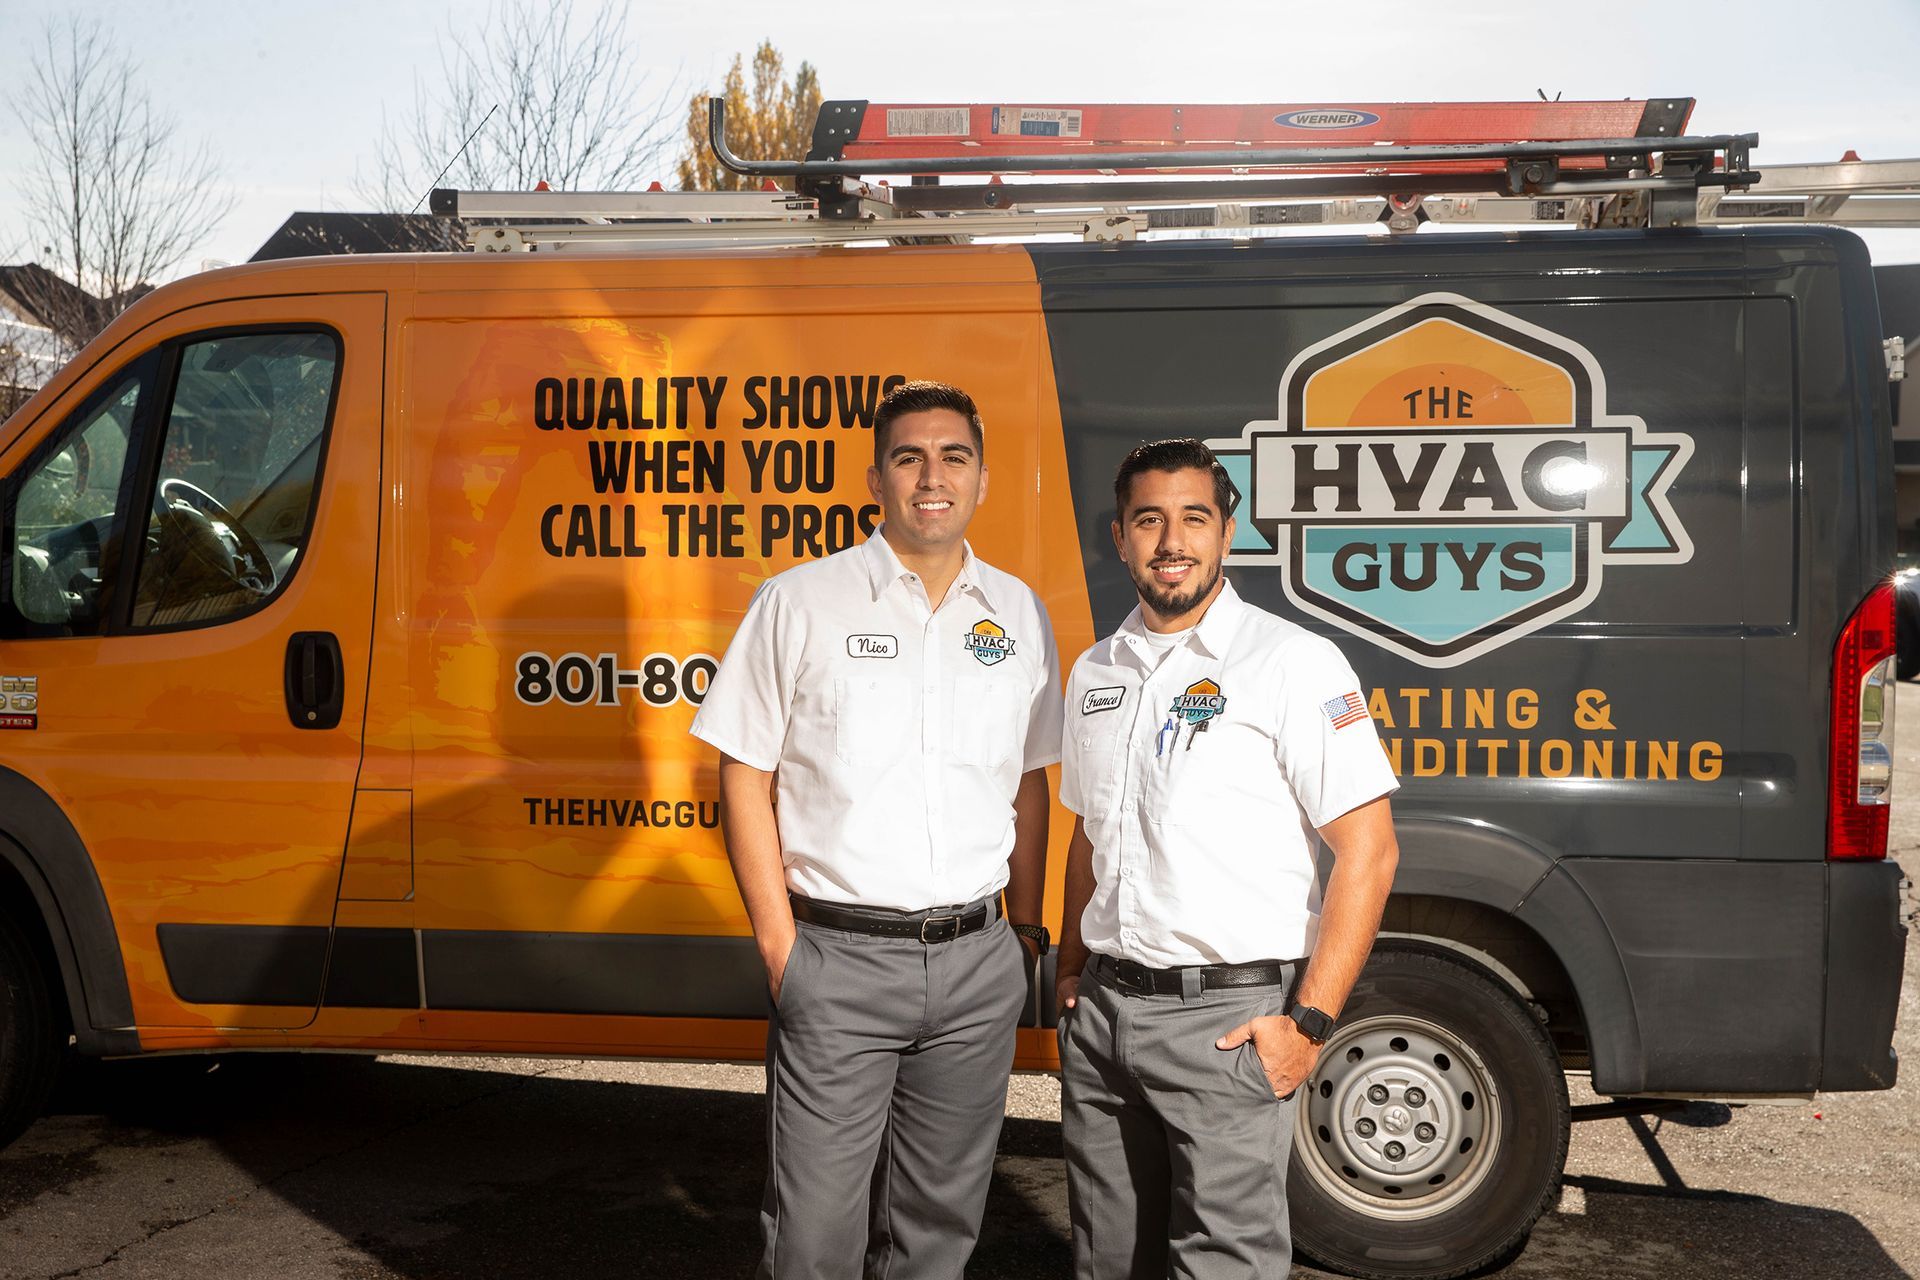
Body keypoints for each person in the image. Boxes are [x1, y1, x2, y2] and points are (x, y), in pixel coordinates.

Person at [689, 380, 1063, 1280]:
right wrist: (782, 946)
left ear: (981, 478)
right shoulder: (800, 602)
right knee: (815, 1234)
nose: (933, 477)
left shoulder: (1015, 612)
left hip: (977, 962)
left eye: (954, 456)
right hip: (839, 962)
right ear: (875, 478)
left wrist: (1019, 936)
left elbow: (1029, 782)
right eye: (909, 457)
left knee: (940, 1228)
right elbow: (742, 771)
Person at [1054, 438, 1400, 1279]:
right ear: (1120, 537)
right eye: (1150, 520)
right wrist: (1069, 976)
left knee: (1225, 1266)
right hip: (1102, 1018)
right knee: (1107, 1261)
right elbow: (1087, 834)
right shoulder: (1097, 669)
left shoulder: (1291, 661)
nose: (1172, 541)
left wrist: (1309, 1025)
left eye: (1193, 519)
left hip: (1228, 1026)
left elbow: (1370, 850)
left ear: (1228, 532)